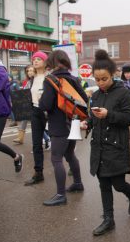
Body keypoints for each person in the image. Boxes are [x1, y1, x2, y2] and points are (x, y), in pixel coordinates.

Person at [80, 50, 130, 236]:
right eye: (97, 79)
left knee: (118, 184)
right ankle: (108, 219)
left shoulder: (123, 93)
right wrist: (87, 123)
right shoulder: (95, 95)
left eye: (104, 79)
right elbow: (93, 116)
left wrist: (109, 114)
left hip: (115, 145)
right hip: (98, 146)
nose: (100, 83)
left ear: (112, 74)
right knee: (103, 184)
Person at [38, 50, 88, 206]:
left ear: (52, 62)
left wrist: (41, 100)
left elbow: (45, 105)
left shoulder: (50, 80)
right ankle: (78, 183)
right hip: (73, 122)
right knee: (70, 154)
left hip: (59, 125)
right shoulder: (73, 78)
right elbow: (84, 100)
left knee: (56, 158)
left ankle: (60, 195)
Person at [24, 51, 53, 186]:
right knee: (36, 144)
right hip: (36, 111)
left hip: (50, 112)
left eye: (38, 59)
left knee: (58, 141)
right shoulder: (32, 78)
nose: (35, 61)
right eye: (34, 59)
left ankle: (71, 164)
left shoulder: (50, 77)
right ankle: (38, 173)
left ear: (45, 62)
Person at [12, 64, 35, 144]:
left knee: (37, 126)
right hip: (29, 105)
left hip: (36, 106)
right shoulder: (28, 81)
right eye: (27, 71)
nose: (29, 72)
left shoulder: (38, 80)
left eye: (31, 70)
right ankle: (20, 137)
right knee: (26, 120)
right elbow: (24, 92)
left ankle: (47, 139)